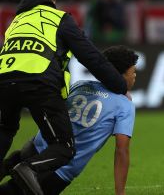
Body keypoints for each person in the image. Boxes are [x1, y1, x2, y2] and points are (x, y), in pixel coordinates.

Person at [0, 0, 127, 195]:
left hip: (3, 81)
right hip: (39, 83)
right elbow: (91, 57)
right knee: (63, 147)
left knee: (4, 131)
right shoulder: (59, 18)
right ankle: (28, 168)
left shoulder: (15, 23)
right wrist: (119, 85)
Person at [0, 45, 138, 195]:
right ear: (120, 76)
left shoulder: (80, 85)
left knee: (11, 164)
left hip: (35, 147)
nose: (135, 76)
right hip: (60, 170)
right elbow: (121, 150)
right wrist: (120, 192)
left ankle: (10, 164)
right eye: (133, 72)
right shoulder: (124, 105)